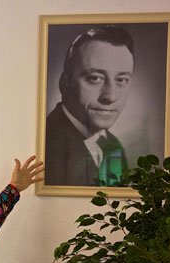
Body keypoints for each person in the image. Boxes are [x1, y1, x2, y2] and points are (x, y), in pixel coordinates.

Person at [45, 25, 134, 187]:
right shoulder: (47, 142)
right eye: (95, 78)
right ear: (65, 83)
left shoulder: (112, 145)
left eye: (121, 80)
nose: (110, 96)